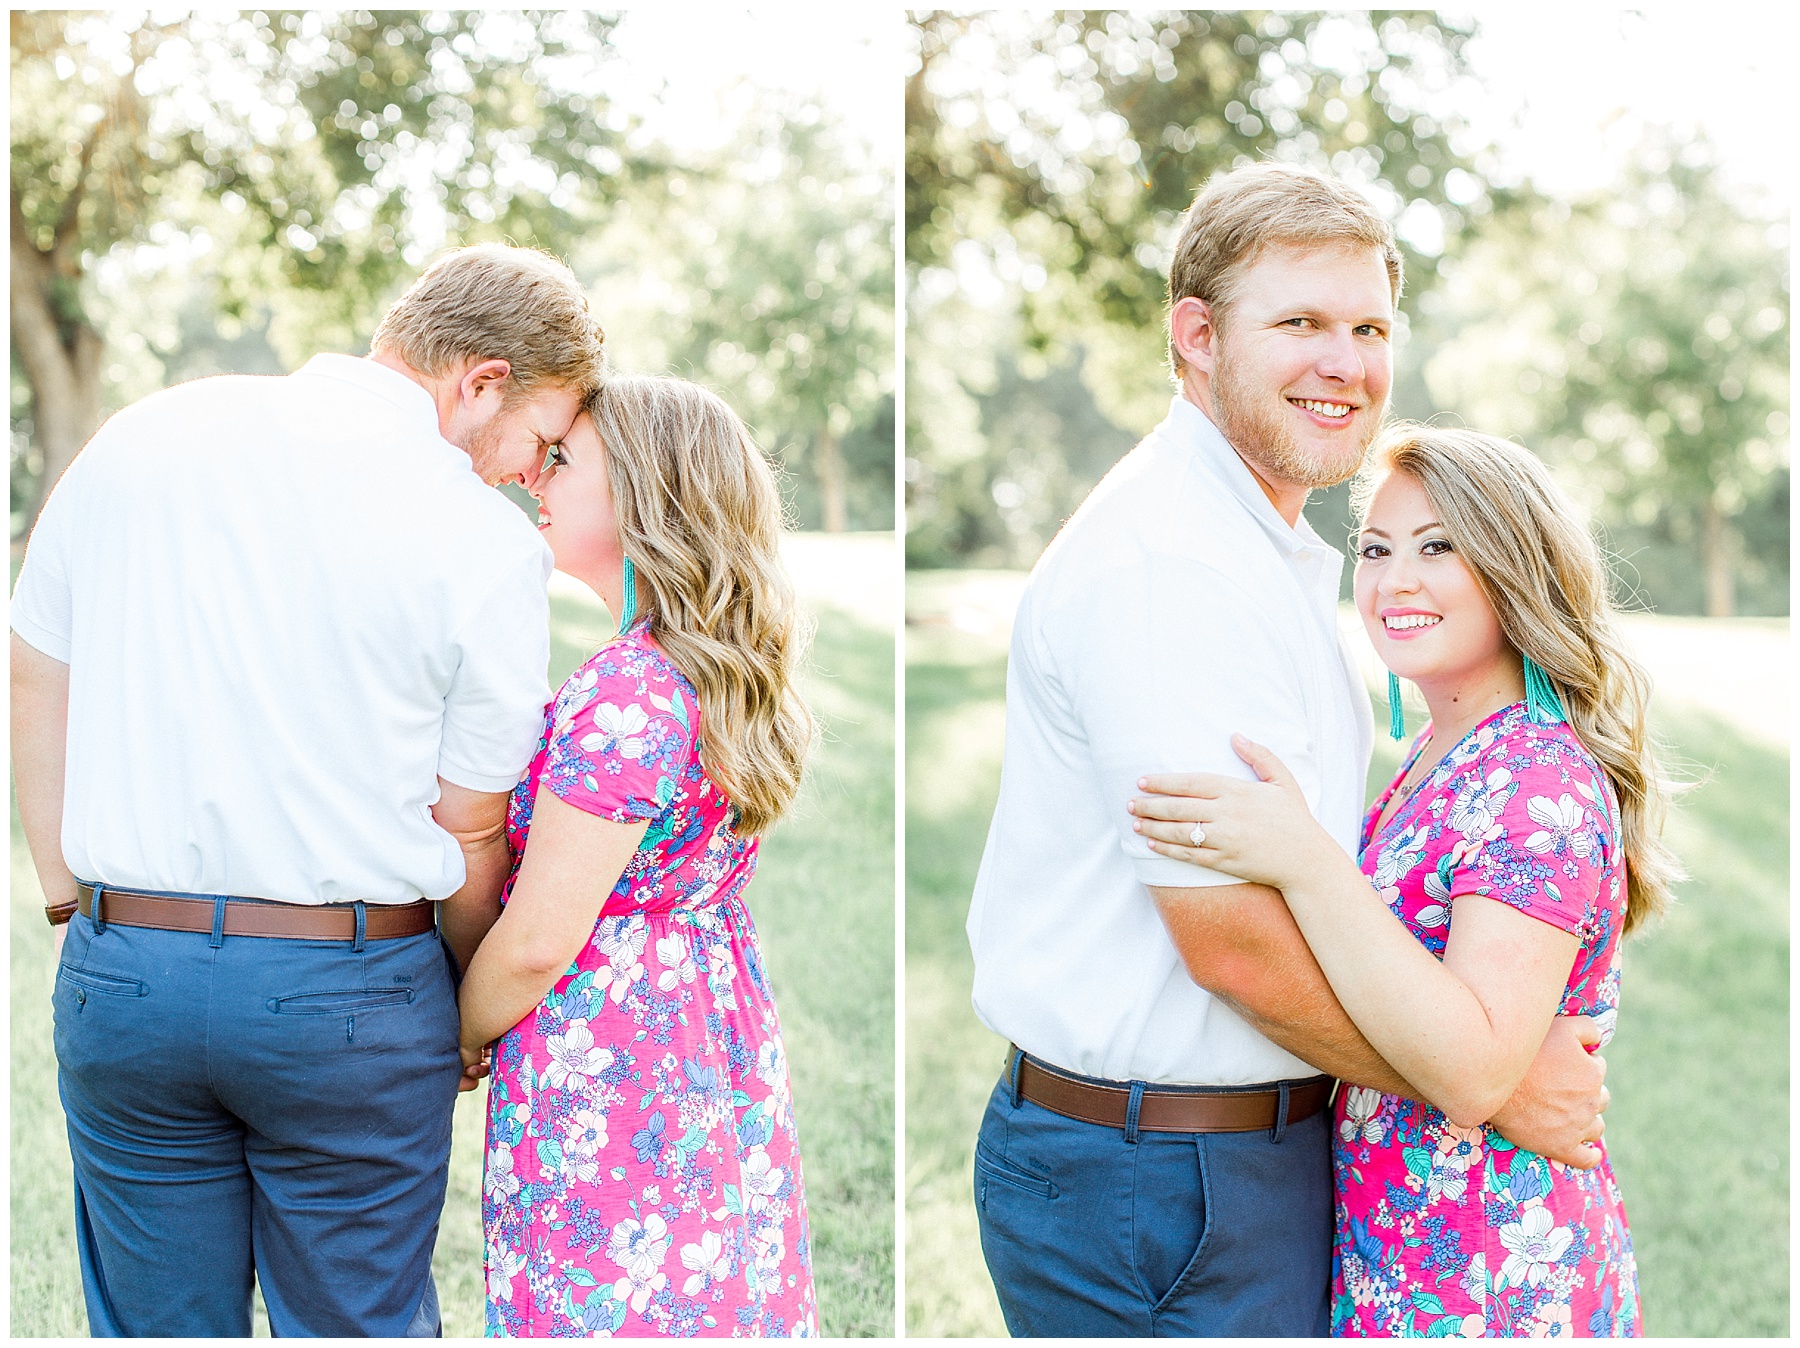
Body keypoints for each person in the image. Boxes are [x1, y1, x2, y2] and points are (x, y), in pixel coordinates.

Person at [963, 163, 1610, 1336]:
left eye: (1368, 326)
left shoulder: (1261, 553)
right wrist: (1494, 1083)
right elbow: (1236, 945)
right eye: (1300, 322)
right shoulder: (1174, 567)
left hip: (1234, 1163)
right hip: (1158, 1178)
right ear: (1197, 337)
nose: (1345, 361)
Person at [10, 243, 603, 1336]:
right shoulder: (482, 541)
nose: (533, 471)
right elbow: (469, 828)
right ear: (480, 381)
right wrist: (468, 1008)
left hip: (126, 969)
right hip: (354, 999)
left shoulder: (142, 437)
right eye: (544, 439)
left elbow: (36, 671)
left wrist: (65, 905)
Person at [1130, 424, 1677, 1337]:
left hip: (1490, 1267)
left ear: (1516, 569)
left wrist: (1303, 857)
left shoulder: (1533, 780)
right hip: (1407, 1246)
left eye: (1437, 549)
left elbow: (1471, 1065)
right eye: (1375, 550)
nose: (1394, 582)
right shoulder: (1443, 750)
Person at [457, 376, 818, 1338]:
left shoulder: (629, 691)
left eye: (565, 459)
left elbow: (538, 938)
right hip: (703, 1023)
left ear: (645, 496)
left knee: (612, 1296)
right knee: (700, 1291)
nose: (536, 474)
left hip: (615, 1054)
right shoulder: (697, 667)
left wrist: (457, 1031)